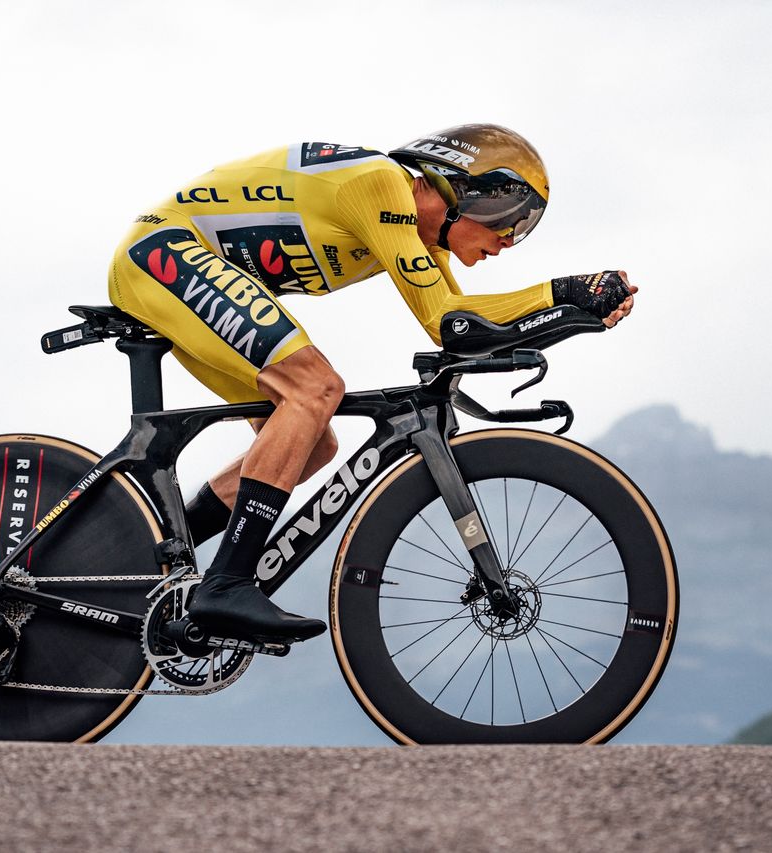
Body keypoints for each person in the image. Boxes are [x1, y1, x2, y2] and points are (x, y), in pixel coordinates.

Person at [107, 124, 636, 643]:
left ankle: (132, 561)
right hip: (164, 251)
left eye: (522, 229)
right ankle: (225, 584)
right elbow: (447, 320)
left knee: (314, 442)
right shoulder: (383, 184)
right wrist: (563, 290)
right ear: (461, 191)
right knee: (315, 389)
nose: (507, 241)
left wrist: (574, 314)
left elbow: (466, 332)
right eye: (508, 220)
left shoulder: (419, 233)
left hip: (178, 265)